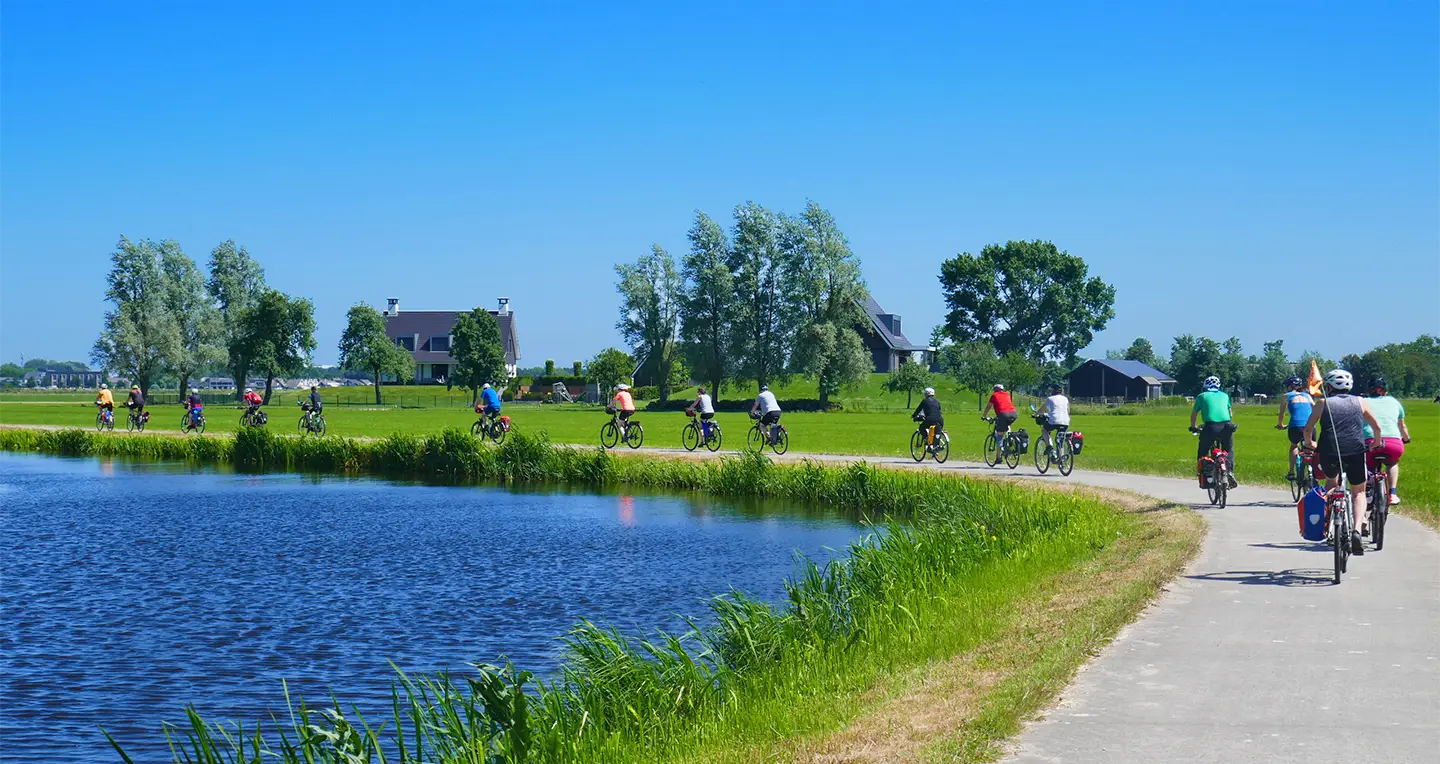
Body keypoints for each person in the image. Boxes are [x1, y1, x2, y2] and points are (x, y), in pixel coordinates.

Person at [1303, 369, 1384, 554]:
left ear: (1329, 386)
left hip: (1329, 451)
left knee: (1331, 482)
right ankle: (1356, 529)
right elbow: (1376, 427)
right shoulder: (1359, 401)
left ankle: (1332, 520)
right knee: (1358, 492)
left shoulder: (1322, 403)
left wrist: (1310, 444)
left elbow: (1308, 429)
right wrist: (1376, 443)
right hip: (1355, 450)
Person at [1364, 376, 1411, 506]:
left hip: (1370, 441)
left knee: (1368, 464)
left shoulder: (1363, 401)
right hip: (1393, 443)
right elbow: (1402, 426)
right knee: (1392, 463)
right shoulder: (1394, 402)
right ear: (1385, 390)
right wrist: (1406, 439)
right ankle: (1392, 494)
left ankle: (1368, 489)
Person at [1189, 376, 1237, 488]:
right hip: (1227, 426)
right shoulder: (1225, 395)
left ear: (1205, 386)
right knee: (1228, 450)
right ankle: (1229, 471)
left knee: (1203, 451)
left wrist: (1193, 426)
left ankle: (1207, 476)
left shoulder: (1202, 396)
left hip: (1211, 427)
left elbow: (1194, 414)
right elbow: (1230, 414)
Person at [1274, 376, 1313, 479]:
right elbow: (1314, 408)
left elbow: (1281, 413)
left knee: (1294, 446)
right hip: (1310, 426)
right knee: (1311, 447)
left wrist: (1280, 424)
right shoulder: (1307, 396)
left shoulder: (1286, 396)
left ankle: (1291, 472)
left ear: (1290, 386)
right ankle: (1314, 472)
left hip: (1295, 426)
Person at [1038, 383, 1071, 452]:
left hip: (1054, 421)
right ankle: (1061, 458)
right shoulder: (1065, 399)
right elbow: (1068, 411)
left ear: (1052, 391)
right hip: (1065, 422)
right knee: (1060, 440)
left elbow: (1042, 410)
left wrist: (1036, 415)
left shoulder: (1050, 399)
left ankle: (1049, 446)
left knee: (1044, 430)